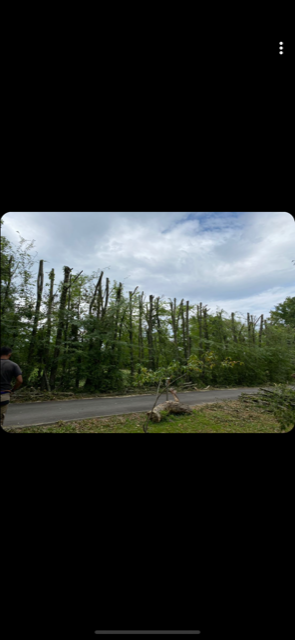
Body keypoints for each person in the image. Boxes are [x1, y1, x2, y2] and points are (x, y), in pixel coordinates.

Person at [0, 347, 23, 430]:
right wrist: (12, 390)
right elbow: (20, 381)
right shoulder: (13, 365)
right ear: (9, 354)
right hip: (3, 395)